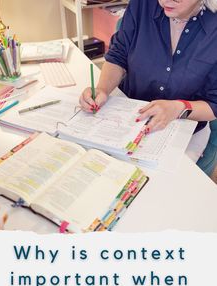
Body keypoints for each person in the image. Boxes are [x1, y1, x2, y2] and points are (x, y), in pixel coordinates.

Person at [80, 0, 217, 173]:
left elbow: (214, 103)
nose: (165, 1)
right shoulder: (142, 5)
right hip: (130, 118)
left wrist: (178, 108)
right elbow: (119, 54)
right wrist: (102, 89)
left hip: (183, 128)